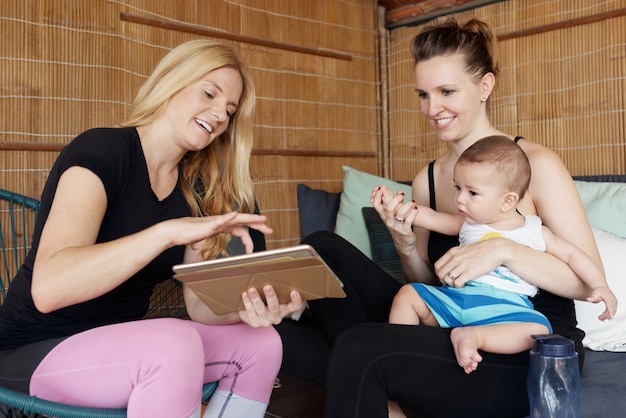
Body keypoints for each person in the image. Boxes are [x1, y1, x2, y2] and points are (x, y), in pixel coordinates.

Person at [301, 18, 604, 417]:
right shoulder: (426, 178)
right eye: (423, 94)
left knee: (359, 344)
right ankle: (389, 374)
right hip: (453, 318)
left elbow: (587, 284)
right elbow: (432, 284)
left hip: (525, 342)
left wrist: (503, 251)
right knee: (323, 248)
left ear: (485, 87)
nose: (432, 109)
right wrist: (406, 244)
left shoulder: (536, 164)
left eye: (446, 91)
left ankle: (382, 377)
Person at [0, 40, 303, 418]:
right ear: (171, 83)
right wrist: (168, 232)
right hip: (34, 350)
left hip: (118, 348)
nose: (220, 116)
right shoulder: (104, 151)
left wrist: (253, 307)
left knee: (261, 343)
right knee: (174, 344)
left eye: (229, 110)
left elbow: (199, 307)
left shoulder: (195, 187)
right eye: (209, 93)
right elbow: (48, 289)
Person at [388, 135, 616, 374]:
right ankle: (398, 359)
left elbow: (572, 255)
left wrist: (599, 284)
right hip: (458, 299)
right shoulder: (467, 223)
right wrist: (399, 209)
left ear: (507, 201)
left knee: (539, 328)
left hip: (504, 310)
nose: (459, 199)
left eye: (472, 193)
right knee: (408, 294)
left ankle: (473, 336)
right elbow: (431, 218)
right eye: (458, 188)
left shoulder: (534, 231)